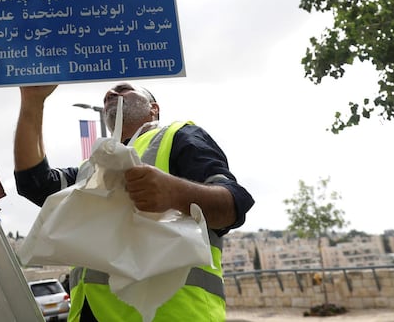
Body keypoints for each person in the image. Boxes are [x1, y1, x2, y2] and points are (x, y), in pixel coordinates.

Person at [14, 82, 254, 322]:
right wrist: (32, 101)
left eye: (124, 89)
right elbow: (34, 182)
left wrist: (174, 192)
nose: (111, 94)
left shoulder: (179, 136)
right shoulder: (92, 168)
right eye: (108, 93)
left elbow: (234, 204)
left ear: (154, 109)